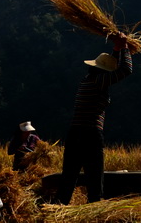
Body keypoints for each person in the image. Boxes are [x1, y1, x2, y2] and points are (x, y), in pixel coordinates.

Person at [56, 35, 132, 204]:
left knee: (69, 177)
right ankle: (95, 211)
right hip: (89, 134)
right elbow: (126, 70)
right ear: (105, 72)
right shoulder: (100, 82)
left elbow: (112, 67)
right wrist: (125, 47)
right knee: (95, 178)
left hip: (75, 133)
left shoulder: (88, 80)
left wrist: (117, 49)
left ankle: (58, 210)